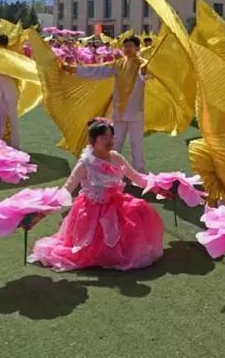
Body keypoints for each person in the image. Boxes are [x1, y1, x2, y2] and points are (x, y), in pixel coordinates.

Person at [29, 118, 163, 271]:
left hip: (116, 204)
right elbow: (67, 189)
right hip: (91, 211)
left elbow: (136, 178)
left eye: (111, 137)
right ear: (93, 140)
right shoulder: (85, 163)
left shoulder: (116, 157)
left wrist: (159, 188)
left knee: (138, 208)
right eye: (104, 138)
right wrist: (43, 212)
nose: (109, 141)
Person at [67, 36, 150, 171]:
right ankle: (111, 170)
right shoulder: (118, 64)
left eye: (131, 46)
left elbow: (146, 76)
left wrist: (146, 72)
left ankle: (139, 172)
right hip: (119, 111)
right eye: (126, 46)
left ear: (137, 48)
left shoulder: (143, 64)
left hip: (135, 112)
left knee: (137, 144)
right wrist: (75, 69)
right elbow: (98, 70)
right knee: (115, 143)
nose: (128, 49)